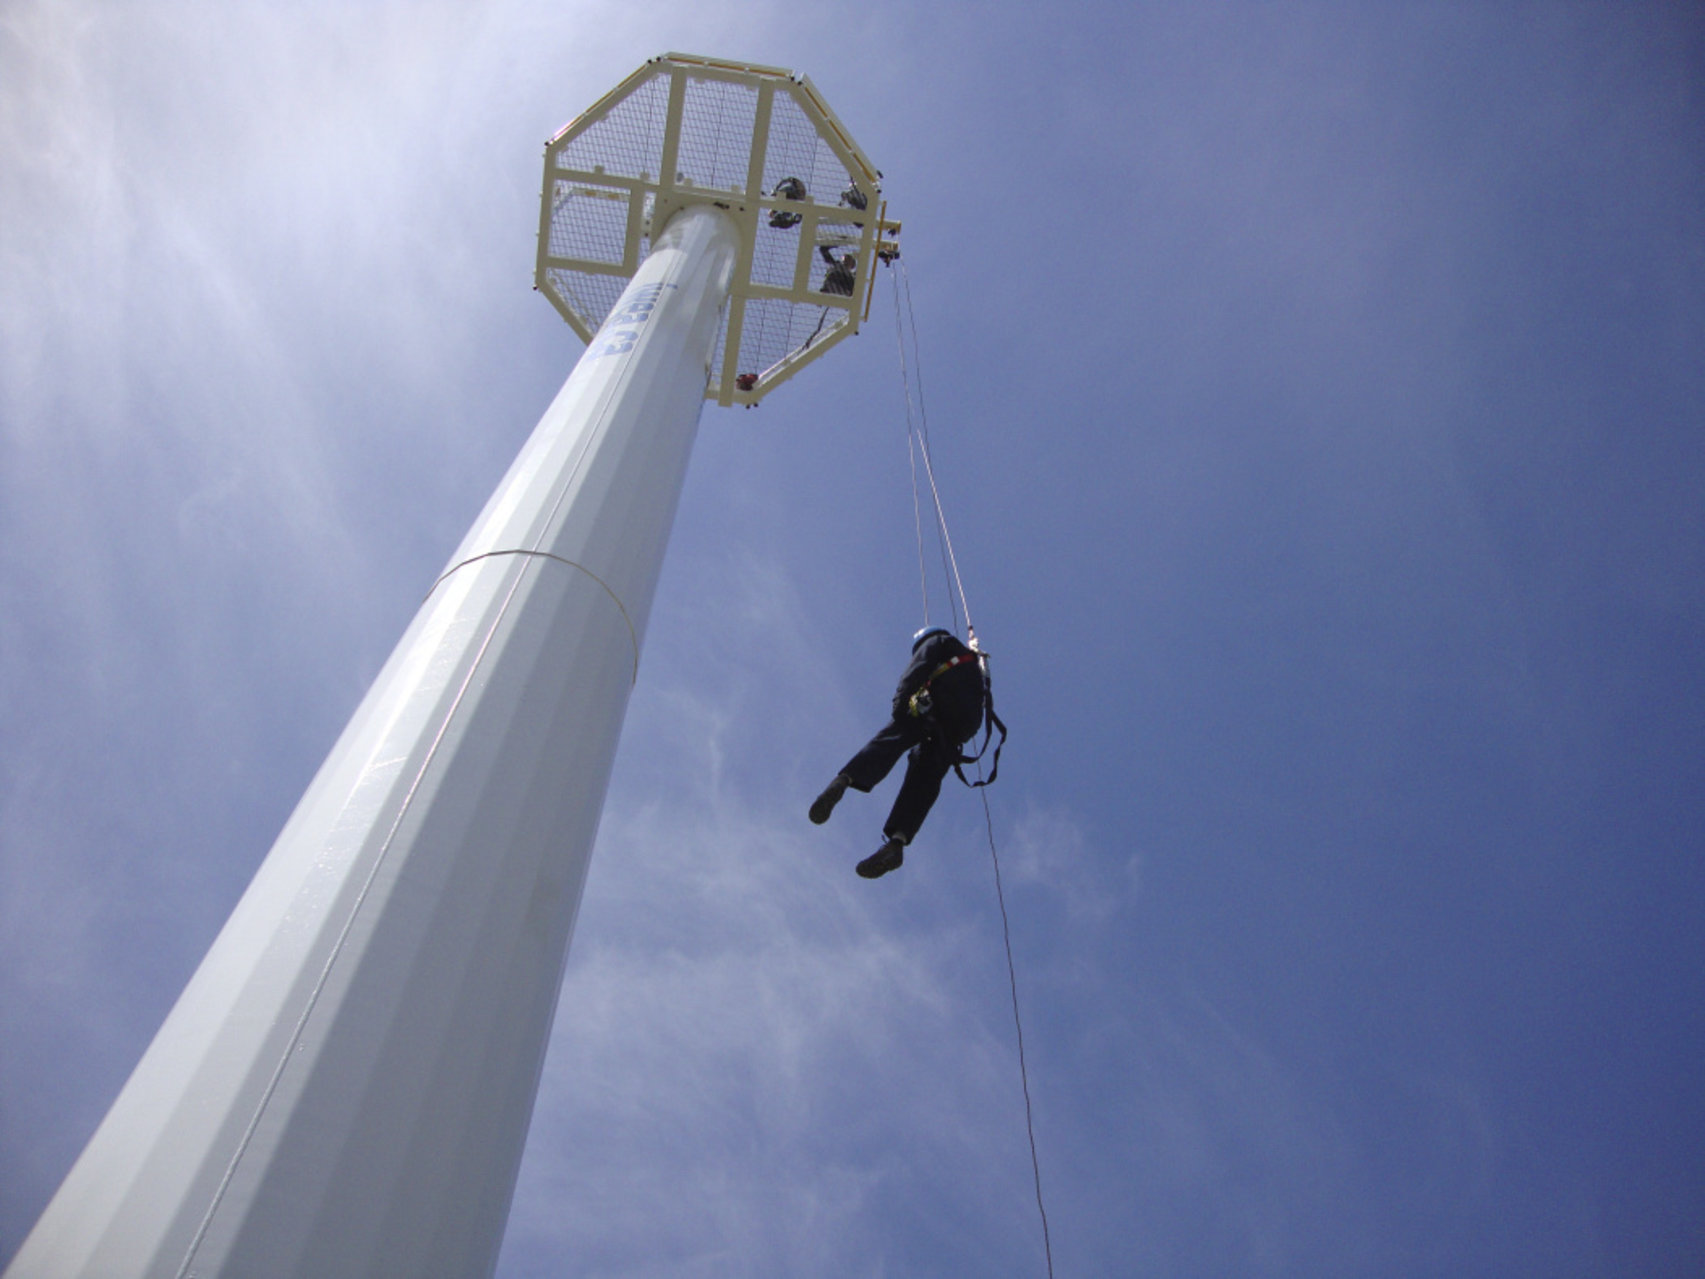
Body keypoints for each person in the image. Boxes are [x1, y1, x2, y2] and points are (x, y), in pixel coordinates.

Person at [809, 627, 986, 878]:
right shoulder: (973, 667)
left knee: (898, 732)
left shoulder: (936, 641)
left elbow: (916, 670)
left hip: (942, 709)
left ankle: (845, 779)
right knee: (926, 772)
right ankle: (897, 842)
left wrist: (900, 704)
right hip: (962, 727)